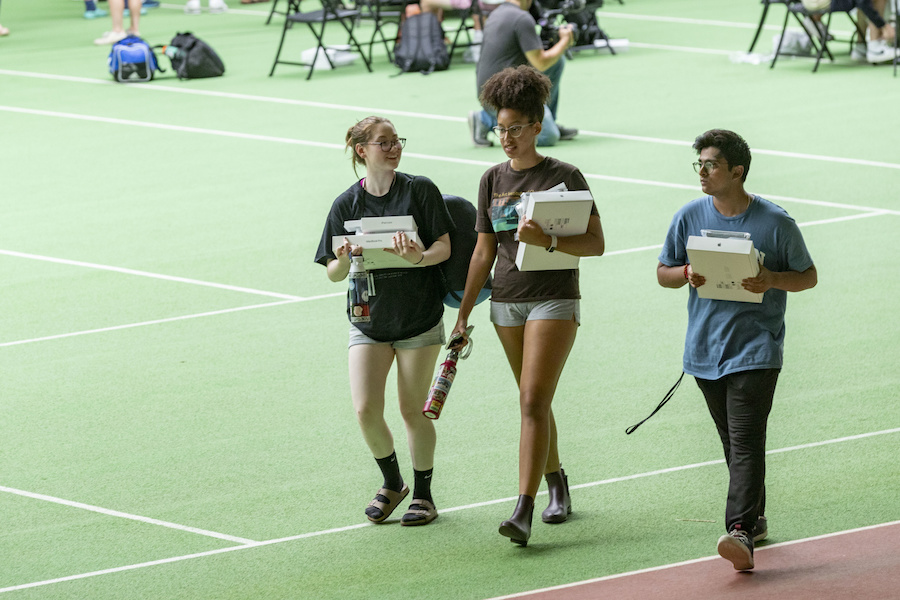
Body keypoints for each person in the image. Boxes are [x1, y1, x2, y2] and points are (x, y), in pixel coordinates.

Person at [452, 65, 604, 546]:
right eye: (500, 128)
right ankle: (557, 479)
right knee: (532, 400)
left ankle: (523, 508)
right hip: (507, 304)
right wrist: (463, 313)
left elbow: (596, 243)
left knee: (532, 400)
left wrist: (550, 241)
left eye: (515, 128)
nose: (506, 137)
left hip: (554, 299)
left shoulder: (564, 174)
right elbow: (482, 250)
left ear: (538, 124)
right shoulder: (491, 179)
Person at [656, 129, 817, 571]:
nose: (702, 173)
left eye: (710, 165)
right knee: (734, 443)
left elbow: (807, 275)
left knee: (745, 442)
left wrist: (771, 280)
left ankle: (740, 531)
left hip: (757, 350)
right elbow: (663, 272)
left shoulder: (775, 223)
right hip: (705, 351)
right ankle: (757, 518)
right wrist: (686, 271)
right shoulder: (688, 216)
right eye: (699, 165)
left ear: (737, 172)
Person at [315, 116, 454, 527]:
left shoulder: (420, 190)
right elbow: (332, 273)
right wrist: (342, 260)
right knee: (365, 410)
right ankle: (393, 483)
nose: (394, 148)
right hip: (368, 321)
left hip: (418, 320)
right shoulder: (345, 205)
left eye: (397, 141)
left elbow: (444, 247)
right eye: (383, 143)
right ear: (362, 151)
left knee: (413, 410)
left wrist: (418, 257)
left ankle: (424, 495)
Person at [468, 0, 578, 148]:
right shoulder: (522, 18)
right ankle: (484, 120)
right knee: (548, 136)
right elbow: (540, 62)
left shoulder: (496, 13)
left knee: (557, 62)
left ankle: (544, 119)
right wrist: (565, 40)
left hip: (489, 92)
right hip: (502, 100)